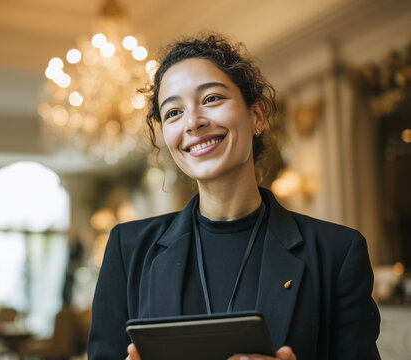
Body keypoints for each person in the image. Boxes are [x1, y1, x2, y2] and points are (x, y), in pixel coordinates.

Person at [87, 34, 380, 360]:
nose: (193, 122)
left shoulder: (337, 253)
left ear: (257, 115)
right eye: (173, 113)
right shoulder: (128, 250)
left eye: (211, 98)